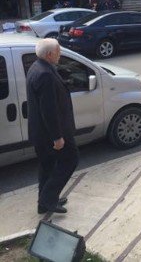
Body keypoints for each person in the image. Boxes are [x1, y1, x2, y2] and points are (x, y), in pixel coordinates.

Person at [27, 39, 78, 214]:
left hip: (41, 133)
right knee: (71, 160)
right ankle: (48, 198)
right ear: (49, 54)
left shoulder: (37, 66)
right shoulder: (45, 74)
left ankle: (44, 203)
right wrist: (57, 137)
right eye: (58, 52)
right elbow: (48, 110)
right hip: (51, 134)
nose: (60, 54)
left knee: (47, 166)